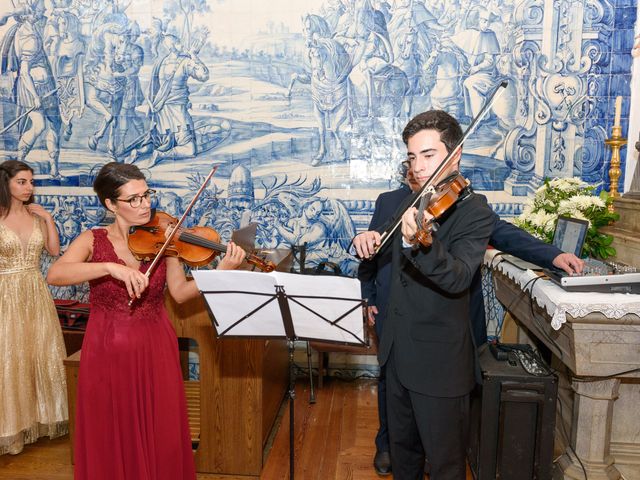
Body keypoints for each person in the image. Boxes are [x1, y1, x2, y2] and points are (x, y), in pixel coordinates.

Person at [359, 161, 584, 475]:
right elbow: (371, 253)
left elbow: (505, 234)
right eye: (412, 165)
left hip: (444, 322)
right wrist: (369, 293)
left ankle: (435, 452)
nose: (418, 172)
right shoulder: (391, 202)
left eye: (426, 161)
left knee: (444, 416)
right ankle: (388, 446)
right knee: (393, 392)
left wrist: (554, 255)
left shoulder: (465, 205)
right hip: (395, 313)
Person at [46, 162, 246, 480]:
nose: (145, 205)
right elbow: (55, 274)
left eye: (146, 195)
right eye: (134, 199)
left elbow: (179, 293)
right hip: (106, 350)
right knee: (111, 429)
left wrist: (220, 274)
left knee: (161, 427)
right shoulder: (92, 240)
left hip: (156, 344)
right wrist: (111, 268)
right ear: (110, 204)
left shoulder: (163, 239)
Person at [0, 160, 67, 455]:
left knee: (36, 353)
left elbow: (54, 252)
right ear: (6, 184)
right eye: (22, 182)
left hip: (35, 292)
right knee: (8, 356)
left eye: (31, 182)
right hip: (4, 293)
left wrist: (49, 220)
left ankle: (35, 419)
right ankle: (9, 425)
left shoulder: (36, 216)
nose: (29, 188)